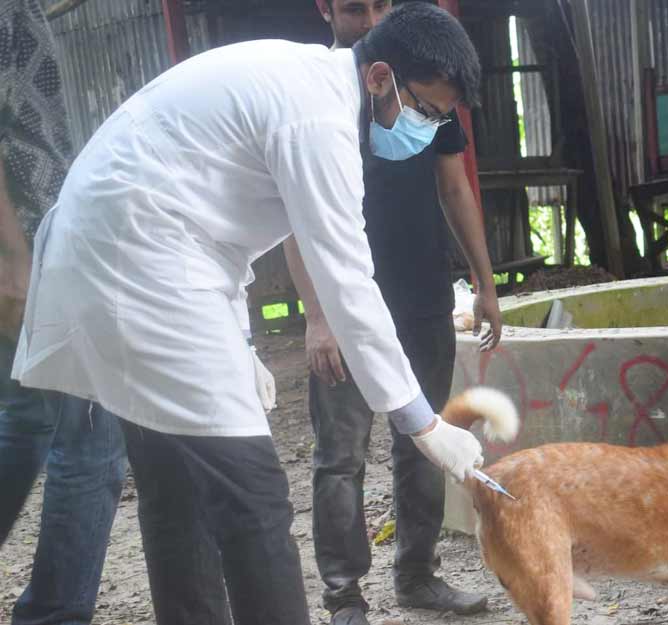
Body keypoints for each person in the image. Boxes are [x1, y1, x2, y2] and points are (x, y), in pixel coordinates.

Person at [10, 4, 487, 624]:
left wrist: (239, 340)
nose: (428, 128)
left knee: (174, 489)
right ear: (379, 78)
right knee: (254, 498)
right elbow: (347, 281)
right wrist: (423, 424)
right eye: (426, 110)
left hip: (123, 255)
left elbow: (215, 232)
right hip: (140, 265)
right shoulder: (319, 119)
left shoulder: (300, 82)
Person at [283, 1, 501, 623]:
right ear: (325, 8)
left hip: (421, 291)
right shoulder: (317, 101)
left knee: (424, 439)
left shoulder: (426, 79)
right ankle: (344, 594)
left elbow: (454, 184)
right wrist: (318, 316)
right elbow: (295, 219)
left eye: (382, 4)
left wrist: (484, 281)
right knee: (342, 453)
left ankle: (417, 575)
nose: (369, 16)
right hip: (346, 304)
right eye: (356, 6)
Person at [0, 2, 129, 623]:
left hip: (39, 233)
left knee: (27, 420)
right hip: (25, 241)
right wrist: (11, 255)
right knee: (91, 431)